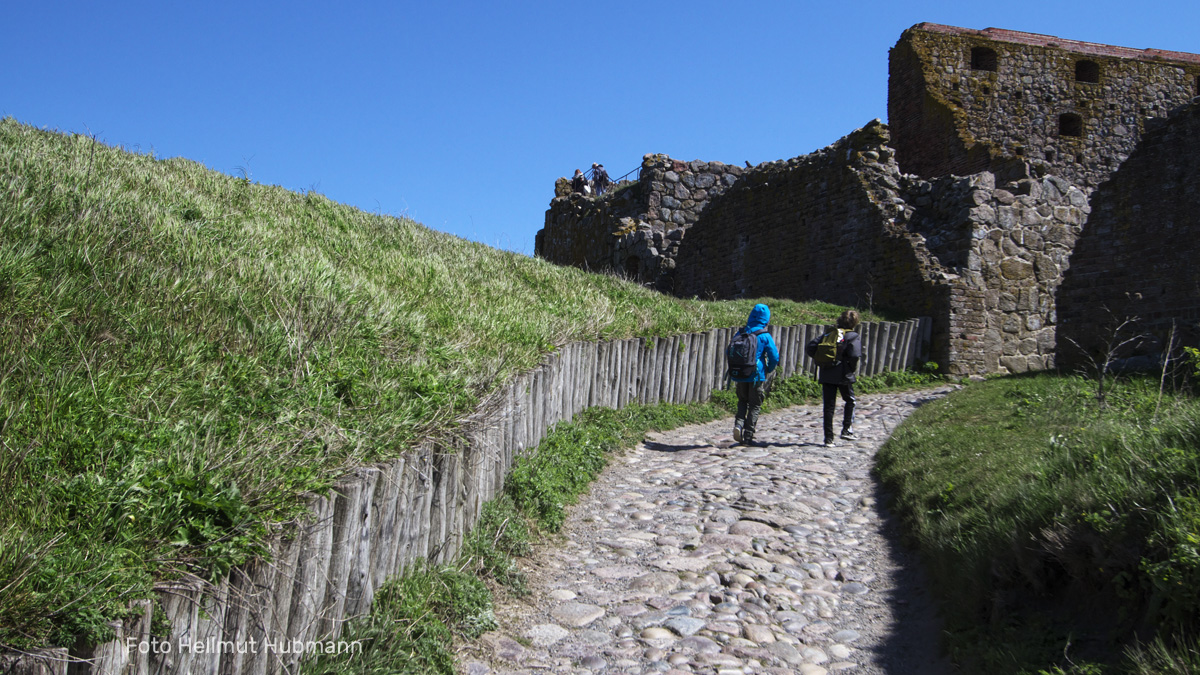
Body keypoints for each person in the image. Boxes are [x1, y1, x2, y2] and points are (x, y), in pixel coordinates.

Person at [806, 309, 863, 447]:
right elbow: (855, 355)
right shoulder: (852, 336)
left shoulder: (829, 333)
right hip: (844, 374)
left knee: (828, 407)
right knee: (850, 400)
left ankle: (828, 439)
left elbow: (810, 347)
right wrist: (851, 369)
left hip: (827, 373)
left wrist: (823, 361)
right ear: (854, 323)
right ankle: (846, 430)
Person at [729, 303, 780, 446]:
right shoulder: (764, 335)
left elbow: (730, 351)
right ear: (766, 319)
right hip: (757, 375)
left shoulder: (741, 332)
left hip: (741, 373)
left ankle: (738, 425)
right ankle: (748, 436)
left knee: (742, 401)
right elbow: (774, 356)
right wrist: (768, 369)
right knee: (755, 405)